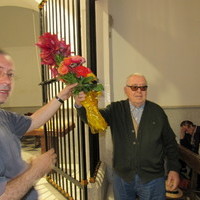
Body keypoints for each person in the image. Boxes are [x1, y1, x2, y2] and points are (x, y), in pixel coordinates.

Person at [75, 73, 180, 200]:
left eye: (143, 87)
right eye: (134, 87)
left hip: (153, 178)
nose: (139, 91)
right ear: (126, 90)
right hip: (123, 178)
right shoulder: (115, 109)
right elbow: (95, 121)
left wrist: (174, 169)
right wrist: (80, 106)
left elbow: (170, 143)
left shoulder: (157, 111)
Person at [0, 49, 77, 200]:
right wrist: (36, 170)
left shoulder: (3, 116)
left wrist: (61, 97)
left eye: (10, 74)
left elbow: (34, 121)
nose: (7, 81)